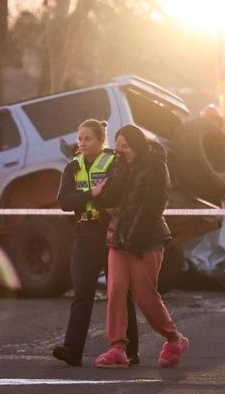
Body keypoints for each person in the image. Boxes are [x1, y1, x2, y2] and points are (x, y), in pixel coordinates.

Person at [95, 124, 189, 369]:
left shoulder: (156, 166)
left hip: (146, 239)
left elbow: (153, 206)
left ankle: (173, 338)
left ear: (136, 144)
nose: (121, 151)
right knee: (115, 290)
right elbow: (108, 199)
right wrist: (114, 178)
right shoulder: (120, 167)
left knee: (145, 296)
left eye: (125, 146)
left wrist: (135, 239)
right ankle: (117, 347)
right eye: (118, 146)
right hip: (119, 238)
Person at [52, 119, 140, 367]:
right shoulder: (72, 167)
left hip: (111, 233)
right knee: (81, 292)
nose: (81, 143)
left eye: (87, 138)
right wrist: (92, 194)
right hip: (85, 233)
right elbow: (64, 202)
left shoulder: (114, 162)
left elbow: (119, 193)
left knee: (120, 293)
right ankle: (72, 350)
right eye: (79, 138)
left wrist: (102, 198)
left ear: (101, 140)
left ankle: (130, 351)